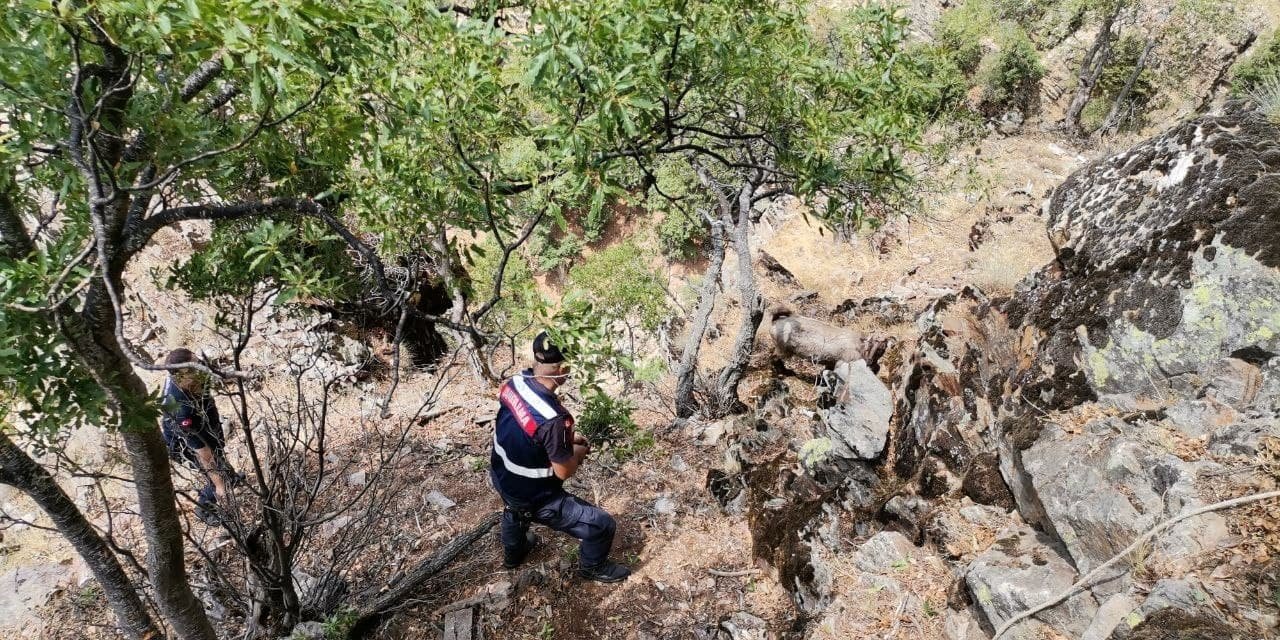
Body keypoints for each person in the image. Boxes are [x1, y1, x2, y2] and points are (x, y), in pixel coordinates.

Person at [489, 331, 631, 583]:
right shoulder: (554, 419)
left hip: (502, 476)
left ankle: (514, 554)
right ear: (563, 368)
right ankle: (593, 567)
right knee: (602, 525)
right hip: (536, 496)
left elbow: (527, 428)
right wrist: (577, 451)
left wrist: (564, 440)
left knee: (514, 509)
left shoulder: (515, 382)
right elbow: (564, 471)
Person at [159, 348, 235, 524]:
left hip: (205, 424)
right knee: (216, 476)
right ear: (180, 376)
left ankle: (228, 476)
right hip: (184, 444)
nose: (199, 368)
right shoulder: (180, 408)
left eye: (197, 363)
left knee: (220, 461)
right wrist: (220, 485)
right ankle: (204, 507)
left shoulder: (194, 377)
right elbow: (202, 453)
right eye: (193, 368)